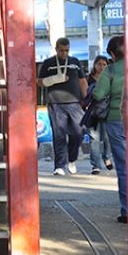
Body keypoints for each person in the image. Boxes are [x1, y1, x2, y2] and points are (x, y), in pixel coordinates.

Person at [37, 37, 88, 176]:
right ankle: (59, 165)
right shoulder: (48, 63)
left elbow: (82, 81)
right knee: (59, 135)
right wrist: (52, 80)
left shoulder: (75, 62)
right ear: (56, 49)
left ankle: (72, 159)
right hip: (55, 103)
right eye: (61, 51)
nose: (64, 53)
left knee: (79, 132)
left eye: (67, 50)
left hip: (75, 103)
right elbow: (39, 82)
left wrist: (87, 99)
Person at [92, 36, 127, 223]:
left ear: (113, 54)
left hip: (117, 120)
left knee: (124, 166)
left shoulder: (111, 70)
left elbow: (98, 94)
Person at [84, 54, 113, 174]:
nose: (101, 67)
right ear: (94, 65)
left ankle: (107, 158)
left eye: (104, 64)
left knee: (107, 138)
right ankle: (95, 165)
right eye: (99, 64)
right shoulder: (88, 79)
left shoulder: (110, 78)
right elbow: (84, 95)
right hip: (92, 113)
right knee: (94, 139)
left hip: (108, 112)